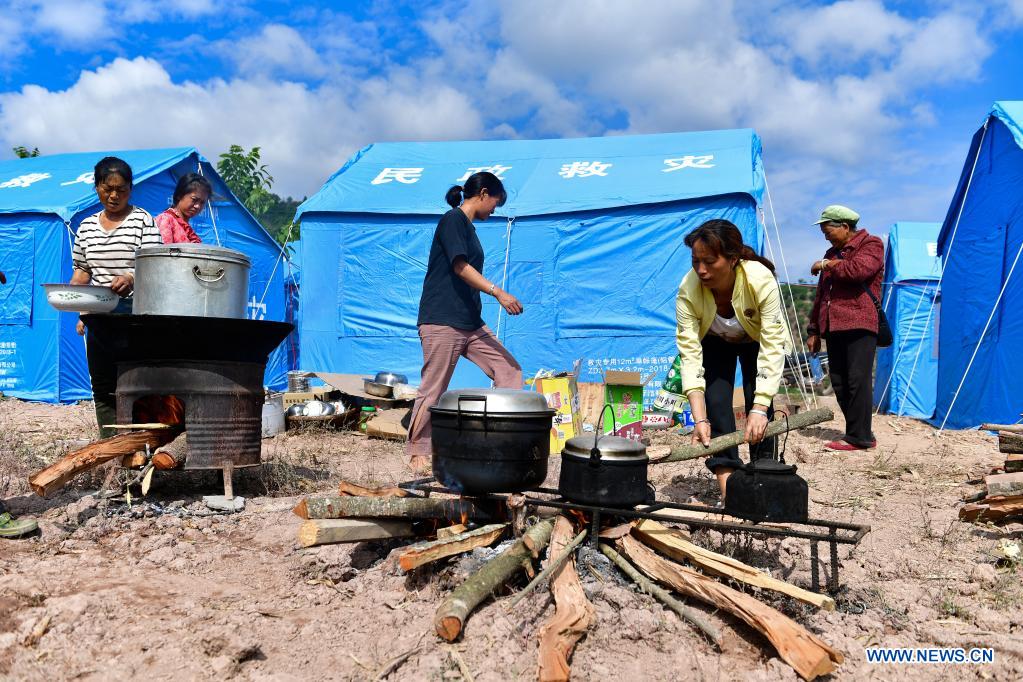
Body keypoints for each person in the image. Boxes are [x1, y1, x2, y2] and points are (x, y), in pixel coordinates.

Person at [406, 172, 525, 472]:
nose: (495, 210)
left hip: (470, 323)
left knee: (509, 370)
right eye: (496, 203)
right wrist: (498, 292)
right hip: (442, 319)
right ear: (484, 193)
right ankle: (418, 452)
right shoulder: (452, 221)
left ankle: (497, 440)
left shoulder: (470, 229)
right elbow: (460, 266)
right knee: (434, 387)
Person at [676, 219, 791, 501]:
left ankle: (763, 477)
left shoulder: (759, 279)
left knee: (757, 401)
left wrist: (761, 407)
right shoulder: (688, 290)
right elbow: (689, 355)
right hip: (715, 341)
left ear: (732, 258)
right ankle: (730, 492)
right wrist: (699, 418)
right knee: (717, 405)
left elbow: (773, 345)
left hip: (755, 340)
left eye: (710, 261)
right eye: (695, 261)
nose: (701, 270)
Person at [70, 157, 162, 437]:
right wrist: (75, 300)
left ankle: (140, 442)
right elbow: (83, 271)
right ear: (96, 187)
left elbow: (155, 264)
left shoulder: (142, 220)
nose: (113, 196)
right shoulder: (86, 228)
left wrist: (132, 278)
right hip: (99, 315)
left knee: (136, 379)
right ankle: (111, 444)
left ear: (130, 189)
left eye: (121, 189)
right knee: (102, 381)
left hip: (136, 313)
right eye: (107, 188)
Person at [806, 205, 884, 451]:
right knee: (839, 381)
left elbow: (857, 270)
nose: (825, 235)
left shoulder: (871, 244)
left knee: (857, 380)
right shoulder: (832, 252)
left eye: (827, 230)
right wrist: (814, 330)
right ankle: (860, 432)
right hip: (834, 326)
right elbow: (821, 294)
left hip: (859, 322)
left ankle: (859, 437)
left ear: (845, 227)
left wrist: (827, 265)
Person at [154, 173, 210, 244]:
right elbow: (163, 252)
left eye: (202, 202)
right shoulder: (166, 219)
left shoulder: (185, 226)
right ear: (180, 195)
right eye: (194, 199)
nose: (197, 206)